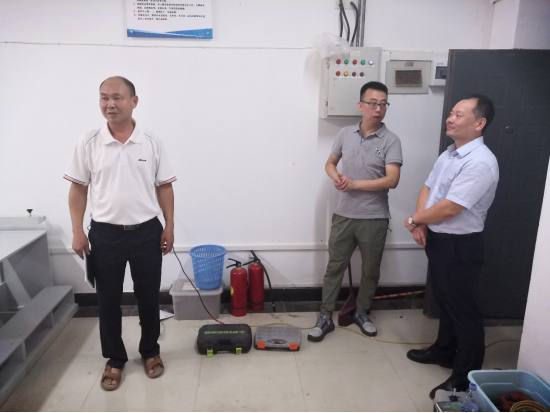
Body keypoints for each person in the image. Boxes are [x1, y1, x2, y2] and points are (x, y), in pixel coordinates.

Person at [64, 77, 176, 391]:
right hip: (105, 235)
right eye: (104, 98)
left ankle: (150, 351)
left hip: (146, 232)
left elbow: (164, 186)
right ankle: (114, 358)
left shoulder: (151, 141)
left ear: (133, 101)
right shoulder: (89, 141)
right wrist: (77, 231)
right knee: (108, 300)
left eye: (117, 97)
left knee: (148, 297)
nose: (109, 104)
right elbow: (78, 189)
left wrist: (169, 226)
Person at [404, 95, 499, 399]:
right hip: (439, 240)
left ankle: (463, 377)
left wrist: (414, 219)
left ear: (479, 123)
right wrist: (421, 222)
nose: (450, 118)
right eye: (452, 113)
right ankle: (443, 351)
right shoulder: (450, 153)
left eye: (459, 114)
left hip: (461, 246)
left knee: (463, 311)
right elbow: (428, 187)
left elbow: (450, 208)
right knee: (445, 302)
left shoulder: (480, 162)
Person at [308, 81, 403, 343]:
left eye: (383, 104)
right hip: (344, 215)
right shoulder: (345, 134)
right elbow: (330, 163)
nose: (378, 108)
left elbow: (392, 180)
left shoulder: (391, 140)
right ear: (360, 105)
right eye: (373, 103)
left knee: (370, 270)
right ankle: (325, 316)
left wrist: (354, 184)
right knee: (334, 268)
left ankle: (362, 313)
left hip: (374, 217)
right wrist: (337, 177)